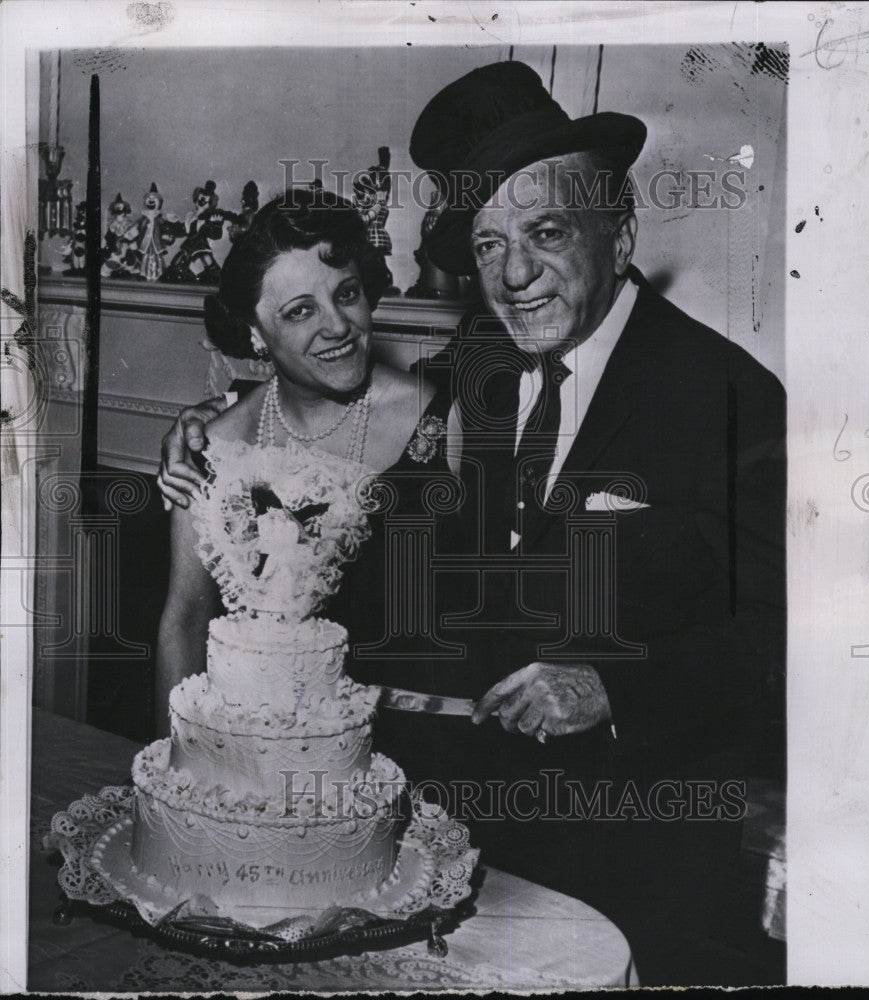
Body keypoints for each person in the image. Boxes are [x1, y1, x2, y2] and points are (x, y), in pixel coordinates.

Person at [158, 63, 785, 985]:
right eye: (489, 246)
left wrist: (617, 685)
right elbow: (348, 409)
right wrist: (212, 425)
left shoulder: (728, 395)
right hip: (474, 836)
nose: (515, 275)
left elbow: (795, 634)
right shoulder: (483, 360)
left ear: (619, 233)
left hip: (643, 852)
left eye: (545, 232)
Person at [154, 187, 448, 735]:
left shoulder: (440, 420)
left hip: (408, 753)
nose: (336, 326)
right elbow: (186, 620)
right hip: (246, 759)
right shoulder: (211, 448)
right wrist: (173, 781)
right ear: (254, 334)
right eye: (300, 311)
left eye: (347, 293)